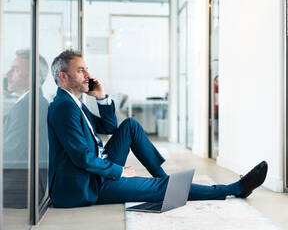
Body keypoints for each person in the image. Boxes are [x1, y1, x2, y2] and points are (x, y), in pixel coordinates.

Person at [48, 50, 268, 208]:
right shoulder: (64, 107)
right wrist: (120, 171)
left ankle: (164, 179)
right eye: (80, 70)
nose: (87, 75)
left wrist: (102, 98)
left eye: (87, 69)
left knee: (130, 126)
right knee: (157, 188)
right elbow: (82, 158)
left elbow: (109, 127)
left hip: (95, 172)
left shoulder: (74, 103)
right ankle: (234, 188)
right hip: (87, 186)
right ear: (63, 77)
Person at [3, 49, 49, 208]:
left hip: (20, 186)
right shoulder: (33, 101)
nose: (8, 74)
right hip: (28, 182)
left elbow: (10, 153)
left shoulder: (27, 106)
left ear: (33, 77)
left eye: (15, 70)